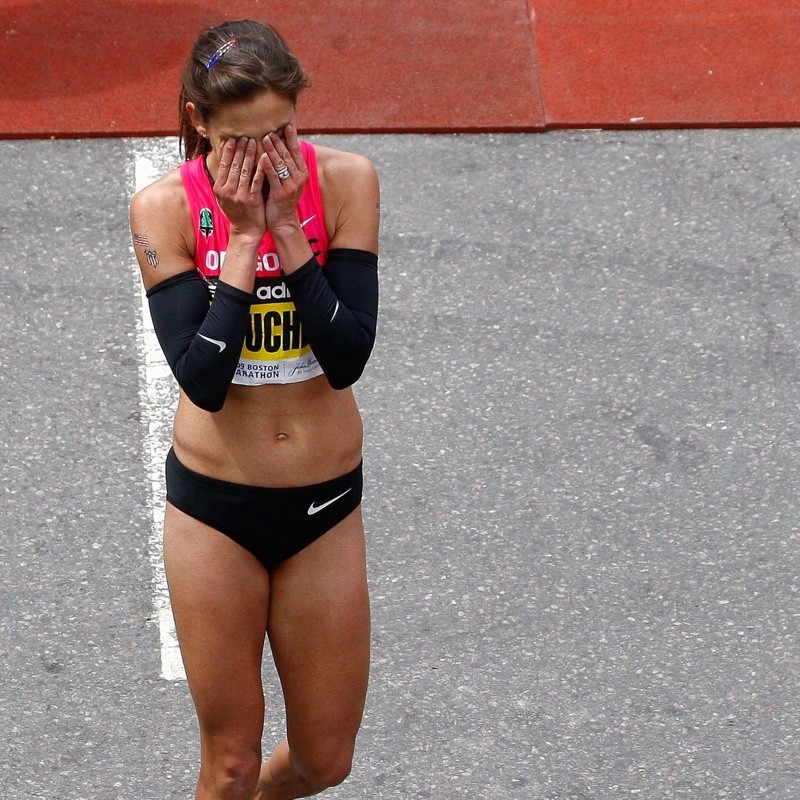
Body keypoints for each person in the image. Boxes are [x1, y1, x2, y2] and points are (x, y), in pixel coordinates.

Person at [129, 19, 380, 800]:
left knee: (323, 763)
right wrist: (243, 243)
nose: (264, 158)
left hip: (324, 503)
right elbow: (202, 377)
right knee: (231, 762)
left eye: (281, 133)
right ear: (200, 123)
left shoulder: (346, 182)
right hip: (215, 508)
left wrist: (289, 236)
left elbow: (346, 358)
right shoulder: (163, 209)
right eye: (239, 142)